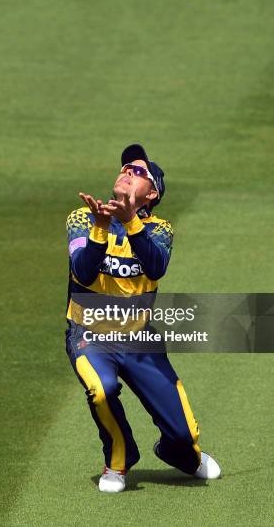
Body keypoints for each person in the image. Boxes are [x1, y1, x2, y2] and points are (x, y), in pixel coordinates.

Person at [65, 144, 221, 492]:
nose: (127, 171)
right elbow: (83, 273)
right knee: (101, 391)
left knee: (184, 434)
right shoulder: (82, 218)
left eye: (138, 172)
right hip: (89, 335)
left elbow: (155, 265)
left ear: (151, 193)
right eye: (125, 168)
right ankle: (118, 462)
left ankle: (181, 455)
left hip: (139, 340)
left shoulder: (160, 229)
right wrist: (101, 229)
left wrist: (128, 222)